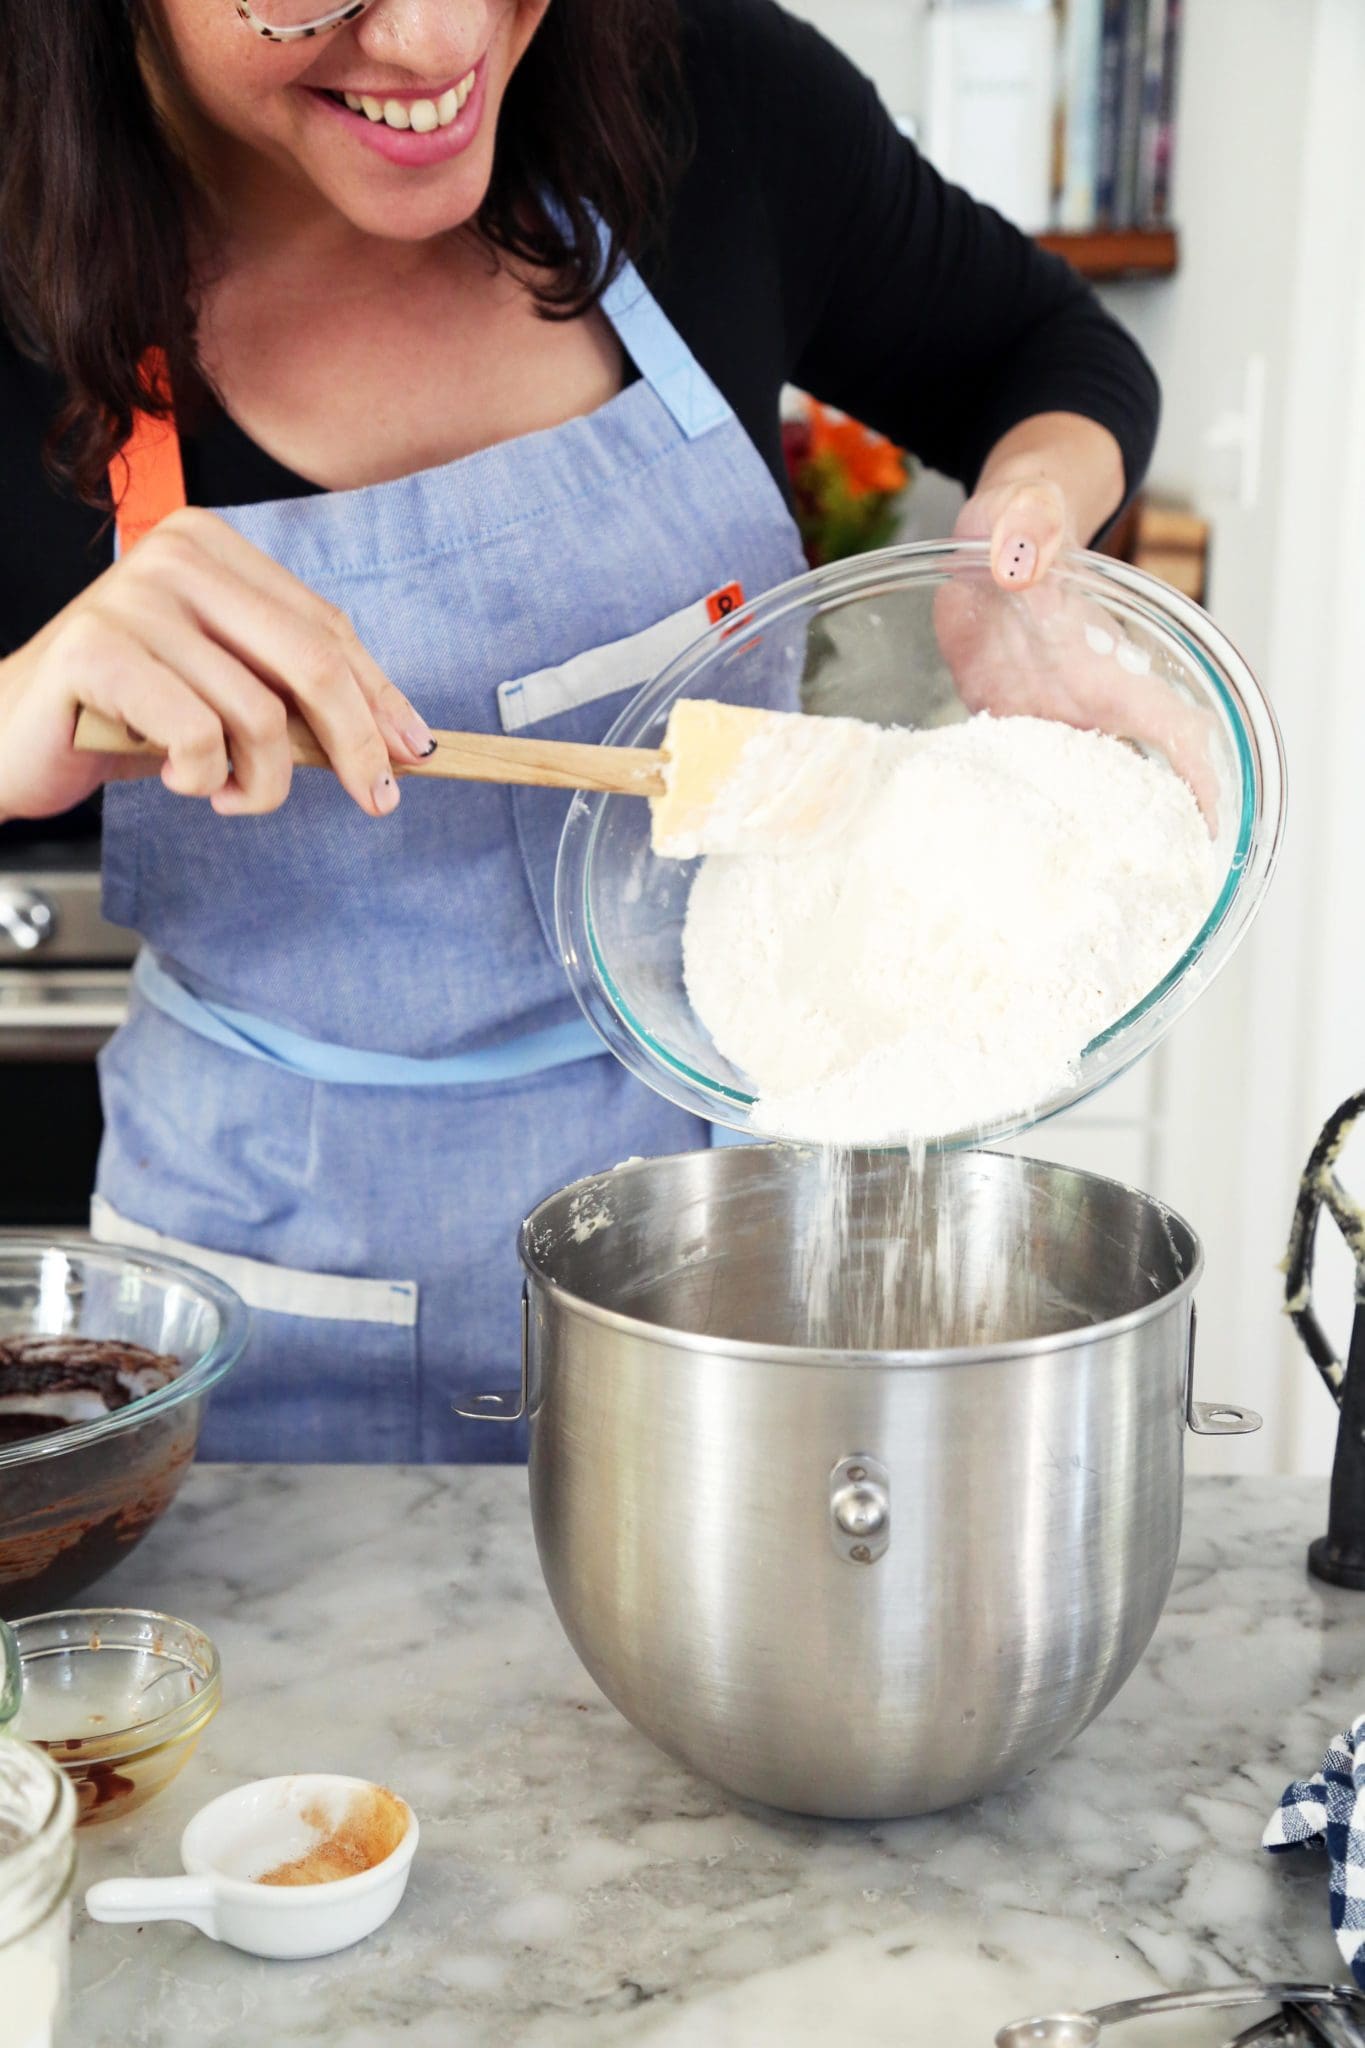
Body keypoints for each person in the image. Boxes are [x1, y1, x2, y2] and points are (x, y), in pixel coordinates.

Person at [0, 0, 1160, 1461]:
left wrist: (1023, 531)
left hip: (739, 1289)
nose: (431, 42)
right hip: (264, 1316)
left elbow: (1046, 352)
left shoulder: (708, 101)